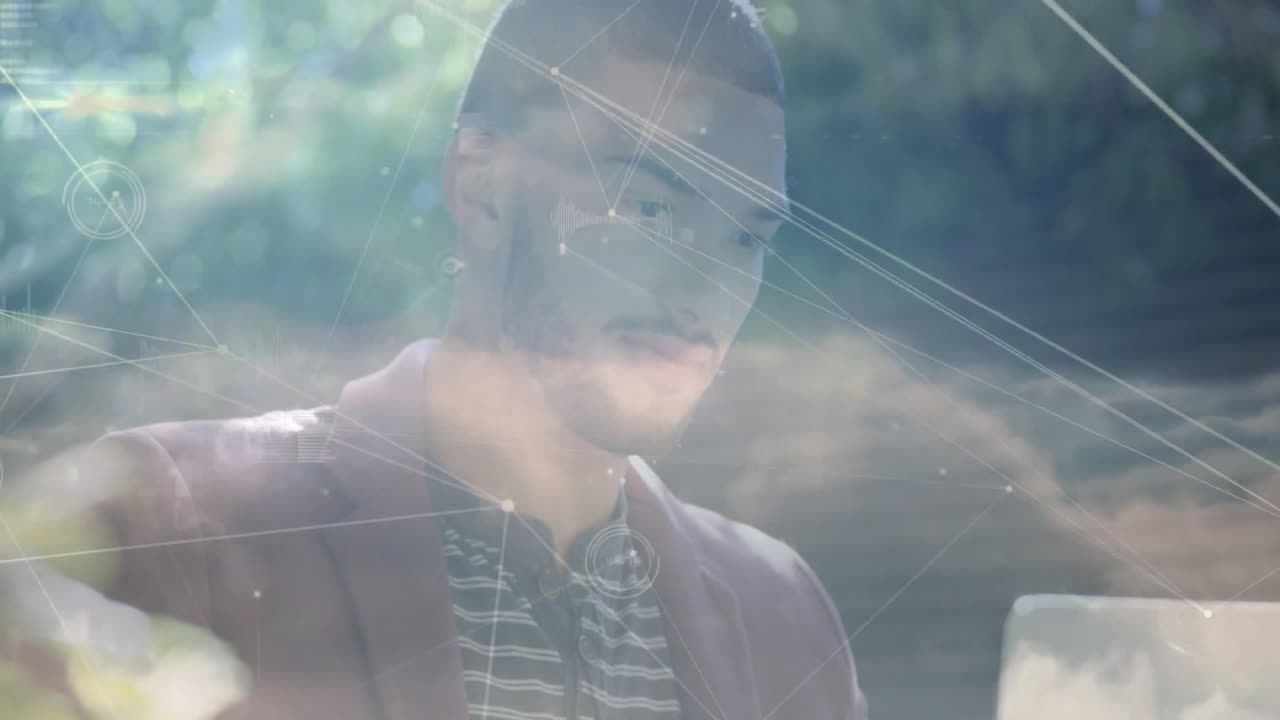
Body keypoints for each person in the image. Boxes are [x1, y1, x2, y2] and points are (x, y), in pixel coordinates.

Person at [0, 1, 869, 718]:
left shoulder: (784, 614)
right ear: (482, 187)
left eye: (746, 238)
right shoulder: (171, 522)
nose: (704, 290)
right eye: (647, 208)